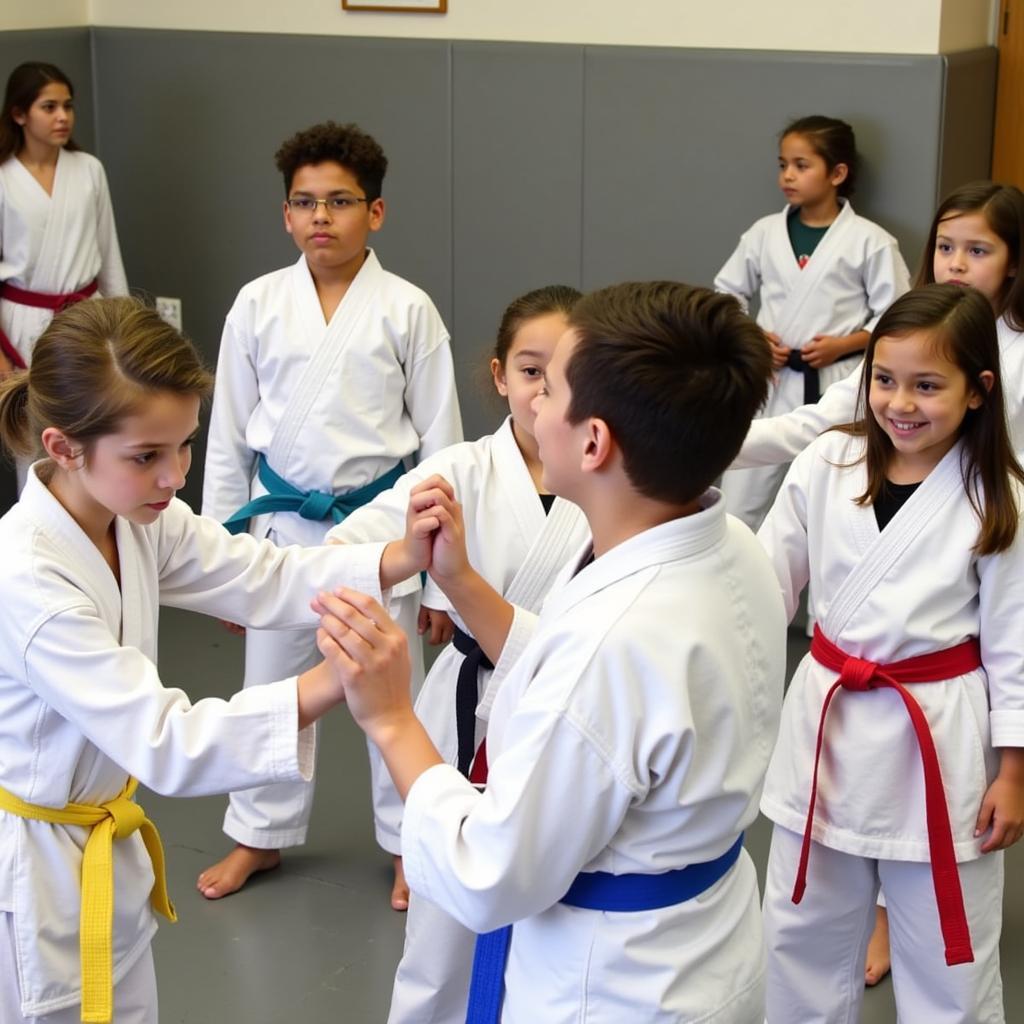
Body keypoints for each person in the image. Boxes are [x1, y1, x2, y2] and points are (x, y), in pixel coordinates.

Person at [314, 281, 787, 1022]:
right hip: (701, 938)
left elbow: (489, 872)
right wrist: (462, 584)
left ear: (594, 440)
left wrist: (393, 719)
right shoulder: (733, 548)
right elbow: (583, 670)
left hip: (609, 982)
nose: (534, 404)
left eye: (553, 389)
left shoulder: (617, 640)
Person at [0, 297, 429, 1024]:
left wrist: (397, 558)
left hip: (100, 841)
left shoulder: (129, 516)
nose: (174, 478)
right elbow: (165, 741)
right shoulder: (31, 580)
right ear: (64, 446)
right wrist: (335, 681)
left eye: (183, 448)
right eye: (147, 456)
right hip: (33, 872)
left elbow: (255, 572)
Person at [732, 179, 1024, 987]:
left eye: (928, 387)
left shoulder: (999, 497)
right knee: (799, 944)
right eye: (886, 381)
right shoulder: (826, 465)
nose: (900, 403)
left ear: (978, 392)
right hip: (825, 728)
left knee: (950, 959)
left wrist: (1014, 768)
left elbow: (1013, 645)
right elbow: (763, 588)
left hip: (938, 737)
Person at [197, 121, 462, 905]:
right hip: (278, 534)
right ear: (285, 215)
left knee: (392, 695)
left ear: (374, 212)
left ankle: (411, 843)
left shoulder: (409, 309)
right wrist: (220, 558)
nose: (321, 217)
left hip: (381, 538)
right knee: (272, 694)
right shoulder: (255, 304)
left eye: (340, 202)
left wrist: (441, 580)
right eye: (305, 203)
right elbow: (225, 444)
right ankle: (259, 833)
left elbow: (445, 450)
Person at [331, 284, 590, 1022]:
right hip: (469, 700)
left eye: (563, 372)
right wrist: (426, 590)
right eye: (529, 369)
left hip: (570, 707)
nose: (543, 390)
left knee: (550, 897)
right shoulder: (462, 470)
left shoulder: (608, 471)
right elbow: (356, 544)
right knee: (442, 923)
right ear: (500, 374)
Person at [734, 182, 1024, 464]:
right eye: (945, 247)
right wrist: (712, 440)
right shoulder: (911, 334)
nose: (956, 264)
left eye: (977, 251)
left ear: (1014, 262)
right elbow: (826, 417)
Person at [715, 114, 910, 530]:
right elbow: (726, 292)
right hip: (769, 377)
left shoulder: (870, 240)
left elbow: (897, 316)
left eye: (802, 166)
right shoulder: (764, 233)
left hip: (835, 381)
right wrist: (751, 334)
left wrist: (846, 344)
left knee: (831, 501)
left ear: (837, 173)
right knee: (739, 502)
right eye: (783, 164)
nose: (788, 175)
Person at [0, 61, 128, 491]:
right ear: (19, 114)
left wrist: (124, 325)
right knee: (35, 440)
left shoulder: (88, 169)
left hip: (86, 317)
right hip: (22, 323)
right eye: (49, 106)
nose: (62, 117)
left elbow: (109, 254)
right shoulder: (2, 178)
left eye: (68, 106)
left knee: (96, 427)